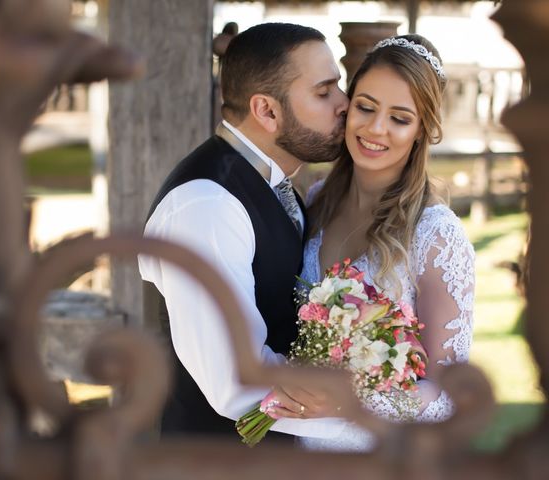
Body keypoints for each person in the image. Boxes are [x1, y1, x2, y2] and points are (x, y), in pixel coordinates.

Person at [138, 23, 349, 439]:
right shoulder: (207, 206)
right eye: (324, 92)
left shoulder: (275, 184)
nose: (345, 103)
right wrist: (365, 411)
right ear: (266, 111)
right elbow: (236, 381)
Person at [268, 34, 476, 451]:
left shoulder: (435, 236)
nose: (376, 128)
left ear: (422, 131)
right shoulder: (316, 199)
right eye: (366, 107)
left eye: (400, 118)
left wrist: (351, 402)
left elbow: (451, 396)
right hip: (300, 451)